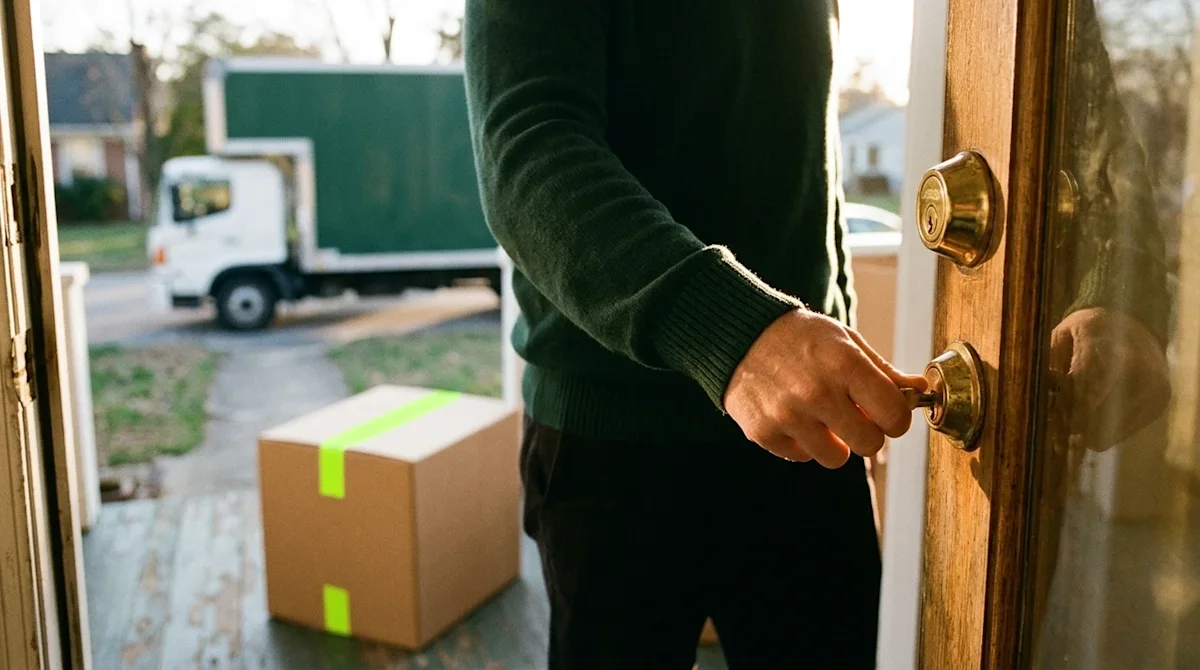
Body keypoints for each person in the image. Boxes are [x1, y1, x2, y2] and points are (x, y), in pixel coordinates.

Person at [463, 2, 926, 668]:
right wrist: (733, 334)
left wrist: (838, 339)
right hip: (611, 443)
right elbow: (528, 153)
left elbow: (807, 180)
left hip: (807, 431)